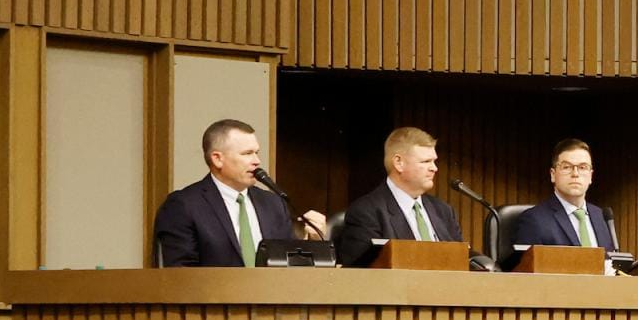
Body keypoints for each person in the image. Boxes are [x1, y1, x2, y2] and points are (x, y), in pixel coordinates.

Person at [153, 120, 325, 267]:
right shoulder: (184, 205)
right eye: (247, 154)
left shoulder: (273, 203)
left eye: (257, 153)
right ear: (217, 158)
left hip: (271, 302)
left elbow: (289, 266)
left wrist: (315, 242)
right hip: (214, 303)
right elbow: (179, 274)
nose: (256, 161)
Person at [333, 126, 464, 267]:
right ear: (399, 163)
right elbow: (360, 272)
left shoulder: (443, 211)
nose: (434, 168)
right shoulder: (367, 212)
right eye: (425, 161)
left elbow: (462, 258)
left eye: (434, 161)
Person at [509, 138, 617, 251]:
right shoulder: (534, 220)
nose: (575, 174)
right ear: (553, 174)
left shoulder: (599, 216)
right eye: (567, 167)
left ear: (590, 176)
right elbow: (528, 266)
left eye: (582, 167)